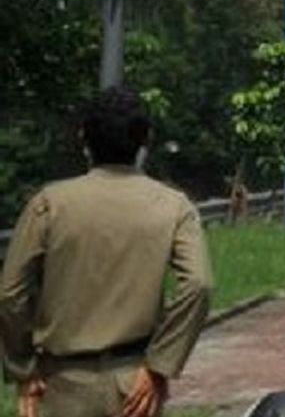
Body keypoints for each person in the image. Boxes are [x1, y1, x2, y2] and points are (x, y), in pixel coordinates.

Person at [0, 87, 213, 417]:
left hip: (61, 382)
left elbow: (10, 293)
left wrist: (23, 368)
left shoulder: (49, 204)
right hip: (135, 385)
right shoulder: (173, 206)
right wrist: (160, 363)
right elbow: (198, 285)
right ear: (146, 139)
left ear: (83, 135)